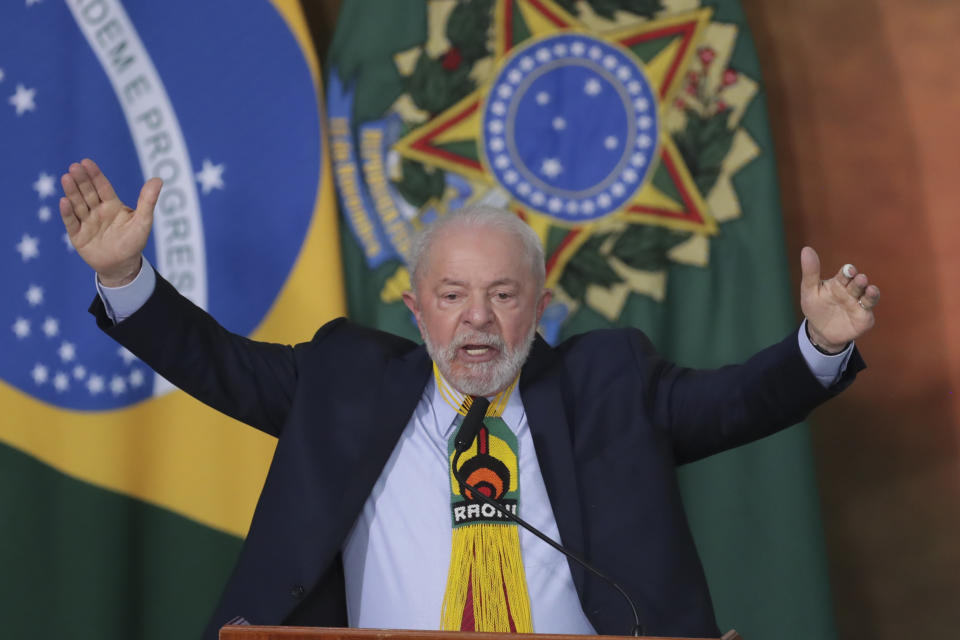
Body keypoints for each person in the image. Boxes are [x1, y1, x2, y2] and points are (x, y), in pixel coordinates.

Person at [59, 158, 879, 639]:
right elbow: (216, 363)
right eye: (451, 296)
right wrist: (127, 277)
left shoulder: (611, 385)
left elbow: (739, 402)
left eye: (501, 295)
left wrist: (821, 345)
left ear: (540, 302)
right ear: (417, 310)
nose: (477, 320)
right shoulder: (341, 379)